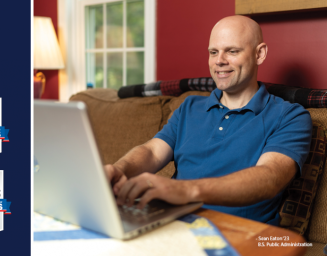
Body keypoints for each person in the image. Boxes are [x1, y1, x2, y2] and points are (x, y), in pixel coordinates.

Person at [104, 15, 312, 225]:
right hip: (171, 223)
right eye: (213, 52)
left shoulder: (290, 116)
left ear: (259, 53)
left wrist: (185, 190)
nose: (219, 60)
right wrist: (119, 170)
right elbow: (151, 152)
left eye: (232, 51)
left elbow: (270, 178)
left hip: (237, 234)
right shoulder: (189, 107)